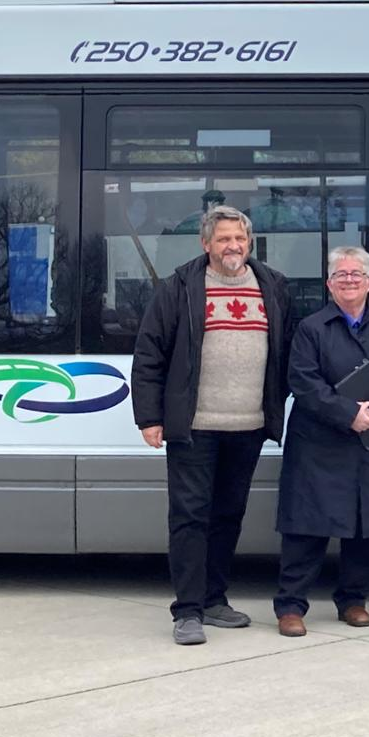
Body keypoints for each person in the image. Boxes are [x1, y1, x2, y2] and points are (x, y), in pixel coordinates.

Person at [131, 205, 294, 646]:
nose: (232, 247)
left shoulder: (272, 285)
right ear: (206, 244)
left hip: (249, 426)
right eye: (223, 239)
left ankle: (214, 598)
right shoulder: (181, 286)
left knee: (227, 515)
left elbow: (286, 348)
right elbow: (150, 353)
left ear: (249, 242)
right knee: (190, 517)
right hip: (194, 426)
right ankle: (187, 611)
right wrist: (149, 416)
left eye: (239, 239)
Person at [272, 247, 369, 637]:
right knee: (306, 528)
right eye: (341, 274)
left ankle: (353, 601)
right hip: (320, 444)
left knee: (365, 527)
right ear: (329, 284)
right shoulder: (311, 329)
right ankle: (291, 606)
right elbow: (303, 381)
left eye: (357, 274)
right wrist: (348, 413)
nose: (349, 280)